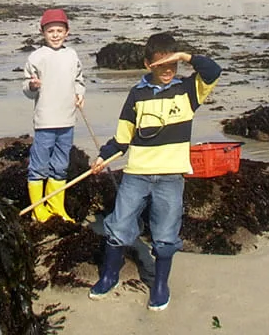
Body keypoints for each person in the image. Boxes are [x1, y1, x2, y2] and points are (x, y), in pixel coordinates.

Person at [89, 32, 221, 311]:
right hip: (136, 174)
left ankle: (160, 285)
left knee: (165, 234)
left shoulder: (188, 90)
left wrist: (185, 55)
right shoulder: (136, 94)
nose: (168, 70)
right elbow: (122, 139)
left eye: (173, 64)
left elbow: (213, 70)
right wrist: (102, 157)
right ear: (148, 64)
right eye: (161, 65)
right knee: (119, 225)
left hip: (171, 177)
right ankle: (109, 276)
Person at [23, 8, 85, 223]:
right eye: (51, 31)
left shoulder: (72, 55)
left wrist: (80, 94)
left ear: (67, 32)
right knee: (39, 165)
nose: (55, 35)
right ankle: (38, 209)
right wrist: (32, 86)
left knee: (60, 165)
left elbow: (79, 80)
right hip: (45, 121)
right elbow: (26, 88)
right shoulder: (36, 57)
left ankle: (56, 206)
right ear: (43, 33)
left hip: (67, 120)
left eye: (59, 30)